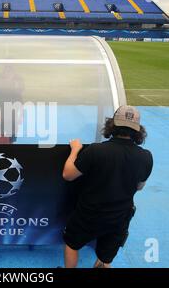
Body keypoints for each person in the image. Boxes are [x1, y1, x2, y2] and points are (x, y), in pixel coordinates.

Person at [62, 105, 153, 268]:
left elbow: (68, 175)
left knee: (72, 244)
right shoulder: (145, 157)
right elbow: (139, 187)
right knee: (105, 258)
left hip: (89, 215)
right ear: (137, 130)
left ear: (112, 125)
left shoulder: (96, 150)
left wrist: (75, 150)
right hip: (119, 218)